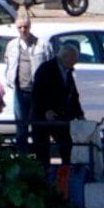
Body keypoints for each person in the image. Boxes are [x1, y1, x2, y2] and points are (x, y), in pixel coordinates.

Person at [25, 39, 82, 181]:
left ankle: (66, 177)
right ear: (66, 57)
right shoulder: (46, 68)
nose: (75, 63)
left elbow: (73, 95)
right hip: (42, 116)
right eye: (74, 60)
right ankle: (42, 180)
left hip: (60, 116)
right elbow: (38, 92)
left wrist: (79, 114)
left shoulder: (67, 71)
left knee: (66, 146)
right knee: (42, 151)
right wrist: (45, 110)